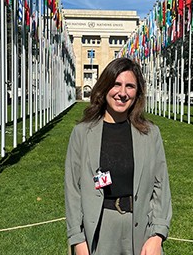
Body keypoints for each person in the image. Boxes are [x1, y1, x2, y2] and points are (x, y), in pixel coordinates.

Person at [65, 57, 171, 255]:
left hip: (141, 230)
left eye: (130, 86)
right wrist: (77, 240)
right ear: (105, 87)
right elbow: (73, 190)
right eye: (116, 84)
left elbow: (161, 186)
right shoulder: (81, 133)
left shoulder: (150, 133)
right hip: (98, 231)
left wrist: (157, 235)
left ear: (137, 92)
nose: (122, 93)